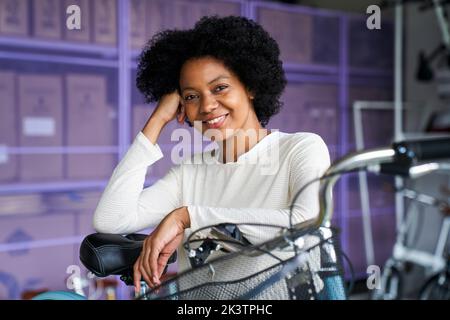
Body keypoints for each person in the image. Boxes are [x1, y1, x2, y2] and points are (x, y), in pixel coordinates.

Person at [92, 15, 330, 294]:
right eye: (191, 96)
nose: (207, 106)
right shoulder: (189, 172)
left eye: (220, 88)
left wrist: (187, 217)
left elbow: (307, 224)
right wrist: (156, 121)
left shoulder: (301, 149)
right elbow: (111, 219)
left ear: (250, 86)